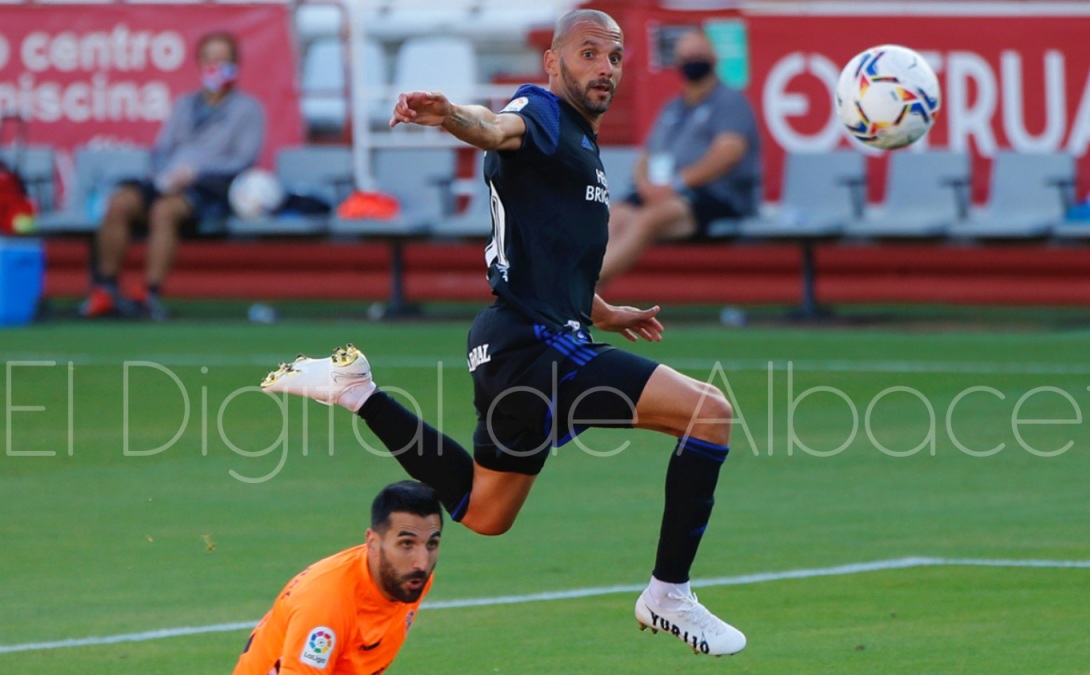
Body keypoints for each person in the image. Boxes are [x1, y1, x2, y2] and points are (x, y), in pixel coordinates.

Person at [260, 9, 745, 656]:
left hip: (516, 342)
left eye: (615, 56)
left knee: (486, 512)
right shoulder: (542, 112)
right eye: (589, 53)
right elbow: (497, 125)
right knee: (707, 414)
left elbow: (539, 253)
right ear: (553, 62)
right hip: (536, 345)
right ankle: (668, 593)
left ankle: (358, 393)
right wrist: (454, 117)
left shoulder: (579, 145)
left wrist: (601, 309)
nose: (604, 67)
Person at [81, 31, 265, 320]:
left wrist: (196, 173)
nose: (216, 64)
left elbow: (243, 160)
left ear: (236, 64)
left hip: (209, 189)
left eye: (224, 59)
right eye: (210, 58)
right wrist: (165, 175)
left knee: (164, 211)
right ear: (199, 63)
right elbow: (163, 148)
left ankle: (149, 293)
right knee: (120, 202)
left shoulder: (248, 109)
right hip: (168, 180)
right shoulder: (184, 104)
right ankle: (105, 290)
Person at [598, 28, 761, 287]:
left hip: (715, 197)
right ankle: (576, 285)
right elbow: (646, 156)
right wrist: (644, 185)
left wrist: (677, 184)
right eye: (685, 55)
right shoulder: (672, 107)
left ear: (713, 57)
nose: (692, 60)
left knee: (648, 219)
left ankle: (584, 289)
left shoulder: (730, 102)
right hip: (662, 192)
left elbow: (728, 153)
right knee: (615, 215)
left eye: (698, 53)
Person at [233, 480, 442, 674]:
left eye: (431, 544)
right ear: (373, 542)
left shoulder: (411, 580)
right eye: (406, 544)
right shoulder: (327, 604)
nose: (422, 563)